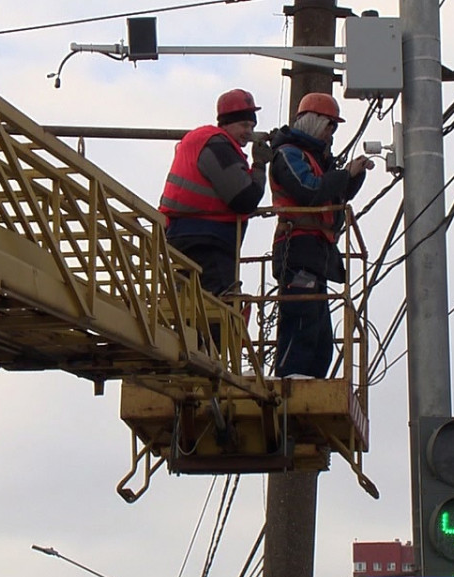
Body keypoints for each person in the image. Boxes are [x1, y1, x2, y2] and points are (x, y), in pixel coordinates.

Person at [269, 92, 374, 378]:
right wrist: (345, 174)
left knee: (320, 340)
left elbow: (332, 195)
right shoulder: (288, 154)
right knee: (302, 327)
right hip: (298, 248)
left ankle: (309, 381)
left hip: (315, 253)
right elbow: (310, 190)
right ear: (316, 123)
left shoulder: (315, 159)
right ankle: (290, 381)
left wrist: (353, 176)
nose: (332, 134)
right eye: (330, 126)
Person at [160, 89, 273, 296]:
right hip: (206, 241)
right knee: (218, 311)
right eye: (244, 125)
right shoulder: (217, 145)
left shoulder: (204, 142)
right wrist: (258, 164)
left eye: (252, 126)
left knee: (191, 309)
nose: (249, 132)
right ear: (226, 123)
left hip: (187, 237)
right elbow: (245, 198)